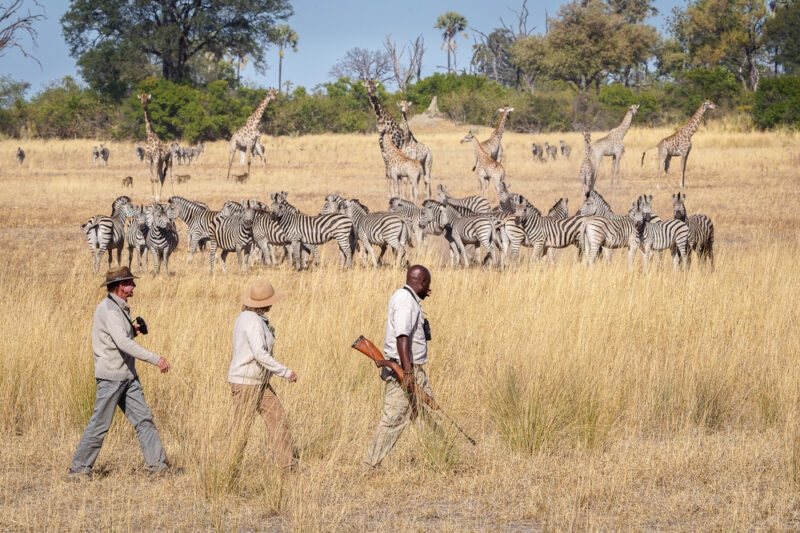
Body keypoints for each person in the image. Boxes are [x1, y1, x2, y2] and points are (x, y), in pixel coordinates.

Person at [68, 266, 172, 480]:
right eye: (129, 282)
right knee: (100, 424)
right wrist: (156, 359)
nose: (134, 285)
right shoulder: (109, 310)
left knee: (144, 420)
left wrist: (133, 331)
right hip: (113, 377)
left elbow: (119, 339)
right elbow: (123, 344)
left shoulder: (118, 307)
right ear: (119, 287)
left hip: (127, 376)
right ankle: (78, 470)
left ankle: (158, 468)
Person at [365, 264, 435, 467]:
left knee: (424, 412)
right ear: (421, 282)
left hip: (410, 368)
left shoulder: (407, 297)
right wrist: (407, 372)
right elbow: (402, 338)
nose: (429, 290)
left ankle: (441, 455)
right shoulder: (406, 302)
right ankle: (370, 463)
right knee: (393, 419)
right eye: (427, 284)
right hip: (404, 370)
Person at [226, 279, 298, 473]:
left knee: (278, 418)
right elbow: (260, 353)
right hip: (248, 381)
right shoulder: (253, 321)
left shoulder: (249, 317)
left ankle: (288, 466)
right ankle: (229, 468)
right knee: (241, 428)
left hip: (257, 380)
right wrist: (285, 372)